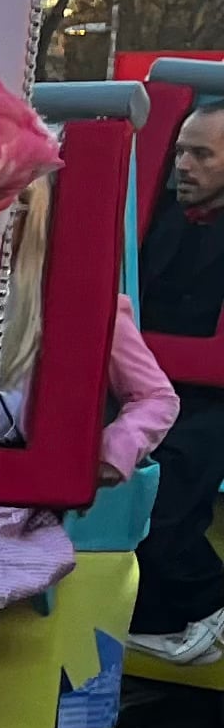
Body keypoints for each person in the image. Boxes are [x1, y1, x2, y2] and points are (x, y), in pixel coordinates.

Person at [0, 179, 176, 605]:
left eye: (15, 205)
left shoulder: (82, 304)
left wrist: (109, 451)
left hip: (18, 500)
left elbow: (157, 397)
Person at [126, 101, 224, 664]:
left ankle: (209, 601)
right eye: (181, 149)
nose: (182, 164)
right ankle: (156, 621)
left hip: (214, 396)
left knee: (165, 499)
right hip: (153, 383)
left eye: (201, 154)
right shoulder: (153, 217)